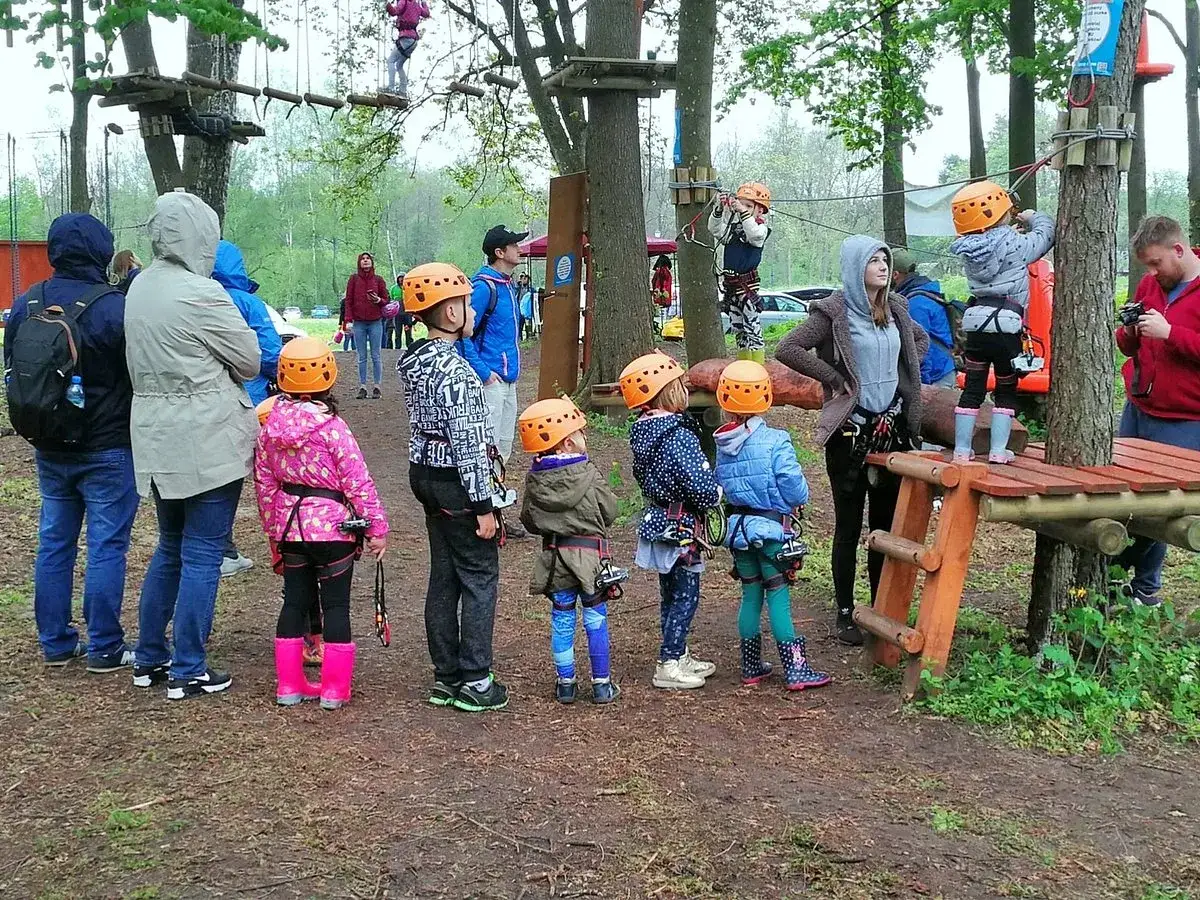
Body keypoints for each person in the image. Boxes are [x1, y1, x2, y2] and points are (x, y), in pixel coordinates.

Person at [124, 190, 261, 700]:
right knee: (203, 552)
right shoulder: (200, 292)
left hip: (155, 434)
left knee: (170, 547)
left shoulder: (139, 287)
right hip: (206, 435)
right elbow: (248, 359)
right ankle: (189, 667)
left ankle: (150, 658)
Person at [775, 237, 927, 645]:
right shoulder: (833, 312)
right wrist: (833, 378)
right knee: (848, 525)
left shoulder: (896, 307)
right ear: (854, 266)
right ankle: (845, 612)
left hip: (892, 429)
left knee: (884, 523)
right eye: (873, 260)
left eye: (885, 258)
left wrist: (905, 378)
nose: (882, 265)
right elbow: (787, 348)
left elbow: (920, 342)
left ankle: (880, 608)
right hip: (849, 432)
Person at [4, 213, 139, 670]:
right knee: (106, 545)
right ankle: (105, 647)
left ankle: (55, 642)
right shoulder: (115, 307)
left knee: (54, 542)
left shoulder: (26, 304)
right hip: (108, 446)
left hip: (48, 441)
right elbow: (138, 373)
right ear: (103, 251)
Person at [398, 261, 508, 712]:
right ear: (449, 314)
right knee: (480, 575)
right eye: (466, 304)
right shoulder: (458, 373)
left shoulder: (416, 362)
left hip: (424, 474)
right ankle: (476, 679)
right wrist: (484, 504)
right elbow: (467, 443)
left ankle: (446, 676)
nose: (472, 311)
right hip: (458, 482)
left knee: (443, 574)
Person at [255, 339, 388, 709]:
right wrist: (377, 528)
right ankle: (333, 689)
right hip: (333, 532)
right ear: (328, 375)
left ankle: (289, 686)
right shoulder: (333, 427)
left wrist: (273, 530)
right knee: (336, 607)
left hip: (290, 529)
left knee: (293, 605)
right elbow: (356, 480)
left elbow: (264, 483)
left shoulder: (269, 426)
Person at [713, 360, 832, 691]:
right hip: (770, 531)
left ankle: (751, 665)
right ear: (765, 397)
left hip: (738, 530)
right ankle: (796, 669)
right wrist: (798, 498)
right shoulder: (776, 440)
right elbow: (791, 482)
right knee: (778, 596)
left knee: (750, 594)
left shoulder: (723, 444)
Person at [621, 351, 722, 690]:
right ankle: (669, 661)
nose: (685, 389)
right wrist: (715, 495)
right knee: (686, 595)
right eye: (680, 384)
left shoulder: (644, 432)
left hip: (659, 518)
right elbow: (697, 482)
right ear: (667, 391)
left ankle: (679, 654)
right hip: (681, 525)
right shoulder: (679, 436)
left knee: (671, 592)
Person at [1114, 215, 1200, 606]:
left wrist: (1171, 334)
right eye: (1147, 266)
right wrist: (1130, 332)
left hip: (1184, 418)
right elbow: (1129, 346)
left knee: (1155, 506)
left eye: (1156, 263)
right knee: (1120, 497)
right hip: (1139, 406)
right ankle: (1117, 577)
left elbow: (1172, 338)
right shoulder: (1152, 284)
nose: (1151, 273)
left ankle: (1145, 588)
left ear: (1178, 250)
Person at [518, 397, 620, 705]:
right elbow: (611, 511)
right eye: (578, 434)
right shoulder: (588, 475)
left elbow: (529, 521)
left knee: (562, 620)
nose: (584, 438)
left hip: (555, 561)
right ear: (565, 444)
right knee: (595, 619)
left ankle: (566, 684)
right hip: (591, 561)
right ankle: (602, 685)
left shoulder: (535, 481)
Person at [949, 181, 1054, 463]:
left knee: (973, 386)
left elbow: (994, 246)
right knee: (1006, 387)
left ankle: (961, 450)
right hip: (1007, 325)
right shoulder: (1015, 243)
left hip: (977, 325)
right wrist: (1034, 217)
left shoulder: (969, 250)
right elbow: (1044, 237)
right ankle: (997, 451)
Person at [212, 238, 283, 578]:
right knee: (251, 474)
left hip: (203, 401)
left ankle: (212, 544)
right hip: (246, 401)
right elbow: (269, 354)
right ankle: (283, 540)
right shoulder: (251, 304)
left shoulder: (195, 299)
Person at [461, 224, 529, 535]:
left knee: (503, 447)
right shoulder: (484, 288)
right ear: (499, 253)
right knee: (486, 448)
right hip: (491, 380)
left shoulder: (506, 285)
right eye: (514, 245)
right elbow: (463, 334)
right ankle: (481, 513)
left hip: (508, 380)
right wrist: (483, 373)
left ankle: (497, 510)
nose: (519, 249)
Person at [710, 182, 772, 363]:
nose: (743, 209)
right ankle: (744, 362)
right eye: (742, 204)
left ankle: (758, 364)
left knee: (752, 325)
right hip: (732, 286)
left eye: (749, 206)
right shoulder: (734, 230)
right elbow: (714, 230)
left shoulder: (760, 229)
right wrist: (720, 209)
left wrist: (742, 212)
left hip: (747, 287)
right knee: (738, 326)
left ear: (760, 211)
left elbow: (754, 235)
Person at [890, 247, 958, 389]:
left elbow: (921, 345)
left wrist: (921, 384)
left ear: (895, 275)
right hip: (944, 368)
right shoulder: (926, 292)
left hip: (935, 376)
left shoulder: (916, 304)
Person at [344, 252, 388, 398]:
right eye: (362, 259)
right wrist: (348, 321)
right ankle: (362, 387)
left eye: (368, 259)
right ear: (359, 263)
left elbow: (386, 299)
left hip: (376, 322)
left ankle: (377, 387)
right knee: (362, 356)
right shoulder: (353, 279)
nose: (365, 261)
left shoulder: (379, 280)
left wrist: (378, 300)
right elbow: (348, 301)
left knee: (376, 355)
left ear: (372, 262)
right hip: (359, 323)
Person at [383, 0, 430, 96]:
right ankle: (403, 91)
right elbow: (426, 13)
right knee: (399, 65)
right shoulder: (416, 5)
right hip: (413, 41)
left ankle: (391, 88)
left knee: (390, 61)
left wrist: (386, 4)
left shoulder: (404, 1)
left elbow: (394, 11)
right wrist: (424, 3)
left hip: (406, 38)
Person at [517, 273, 535, 342]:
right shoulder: (518, 288)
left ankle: (528, 338)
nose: (524, 280)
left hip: (527, 310)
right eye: (522, 278)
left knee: (528, 325)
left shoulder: (531, 290)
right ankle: (520, 339)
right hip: (519, 309)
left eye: (525, 278)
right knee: (519, 326)